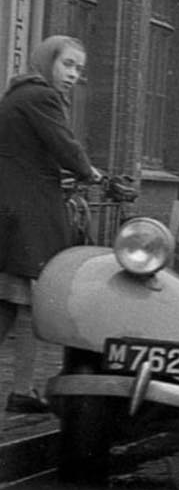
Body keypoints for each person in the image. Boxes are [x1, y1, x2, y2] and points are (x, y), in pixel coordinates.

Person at [0, 35, 101, 413]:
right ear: (48, 62)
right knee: (30, 303)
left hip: (10, 211)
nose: (74, 75)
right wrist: (88, 171)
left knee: (8, 304)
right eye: (68, 64)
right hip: (29, 215)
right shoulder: (42, 97)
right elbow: (65, 145)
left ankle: (22, 388)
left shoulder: (16, 95)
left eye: (79, 69)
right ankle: (22, 391)